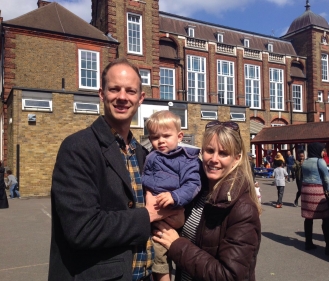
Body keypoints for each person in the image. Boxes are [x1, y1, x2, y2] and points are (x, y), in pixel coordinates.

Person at [48, 58, 182, 281]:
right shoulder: (78, 148)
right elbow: (82, 229)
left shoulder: (143, 154)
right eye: (114, 89)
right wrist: (148, 215)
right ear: (102, 94)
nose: (122, 97)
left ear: (140, 99)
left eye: (130, 91)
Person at [152, 120, 261, 281]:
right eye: (210, 151)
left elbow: (230, 276)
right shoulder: (197, 193)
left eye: (223, 153)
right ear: (202, 152)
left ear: (237, 159)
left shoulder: (243, 209)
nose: (214, 159)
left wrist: (177, 244)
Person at [142, 110, 201, 281]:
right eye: (154, 137)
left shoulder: (187, 159)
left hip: (172, 209)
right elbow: (144, 178)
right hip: (153, 209)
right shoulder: (151, 156)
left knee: (159, 252)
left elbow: (193, 184)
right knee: (153, 252)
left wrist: (175, 196)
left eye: (166, 136)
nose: (160, 141)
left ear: (180, 136)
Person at [301, 142, 329, 255]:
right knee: (326, 217)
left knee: (308, 218)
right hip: (317, 190)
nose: (323, 152)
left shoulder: (305, 161)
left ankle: (308, 243)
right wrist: (328, 189)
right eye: (322, 150)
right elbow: (326, 177)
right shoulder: (320, 161)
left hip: (305, 190)